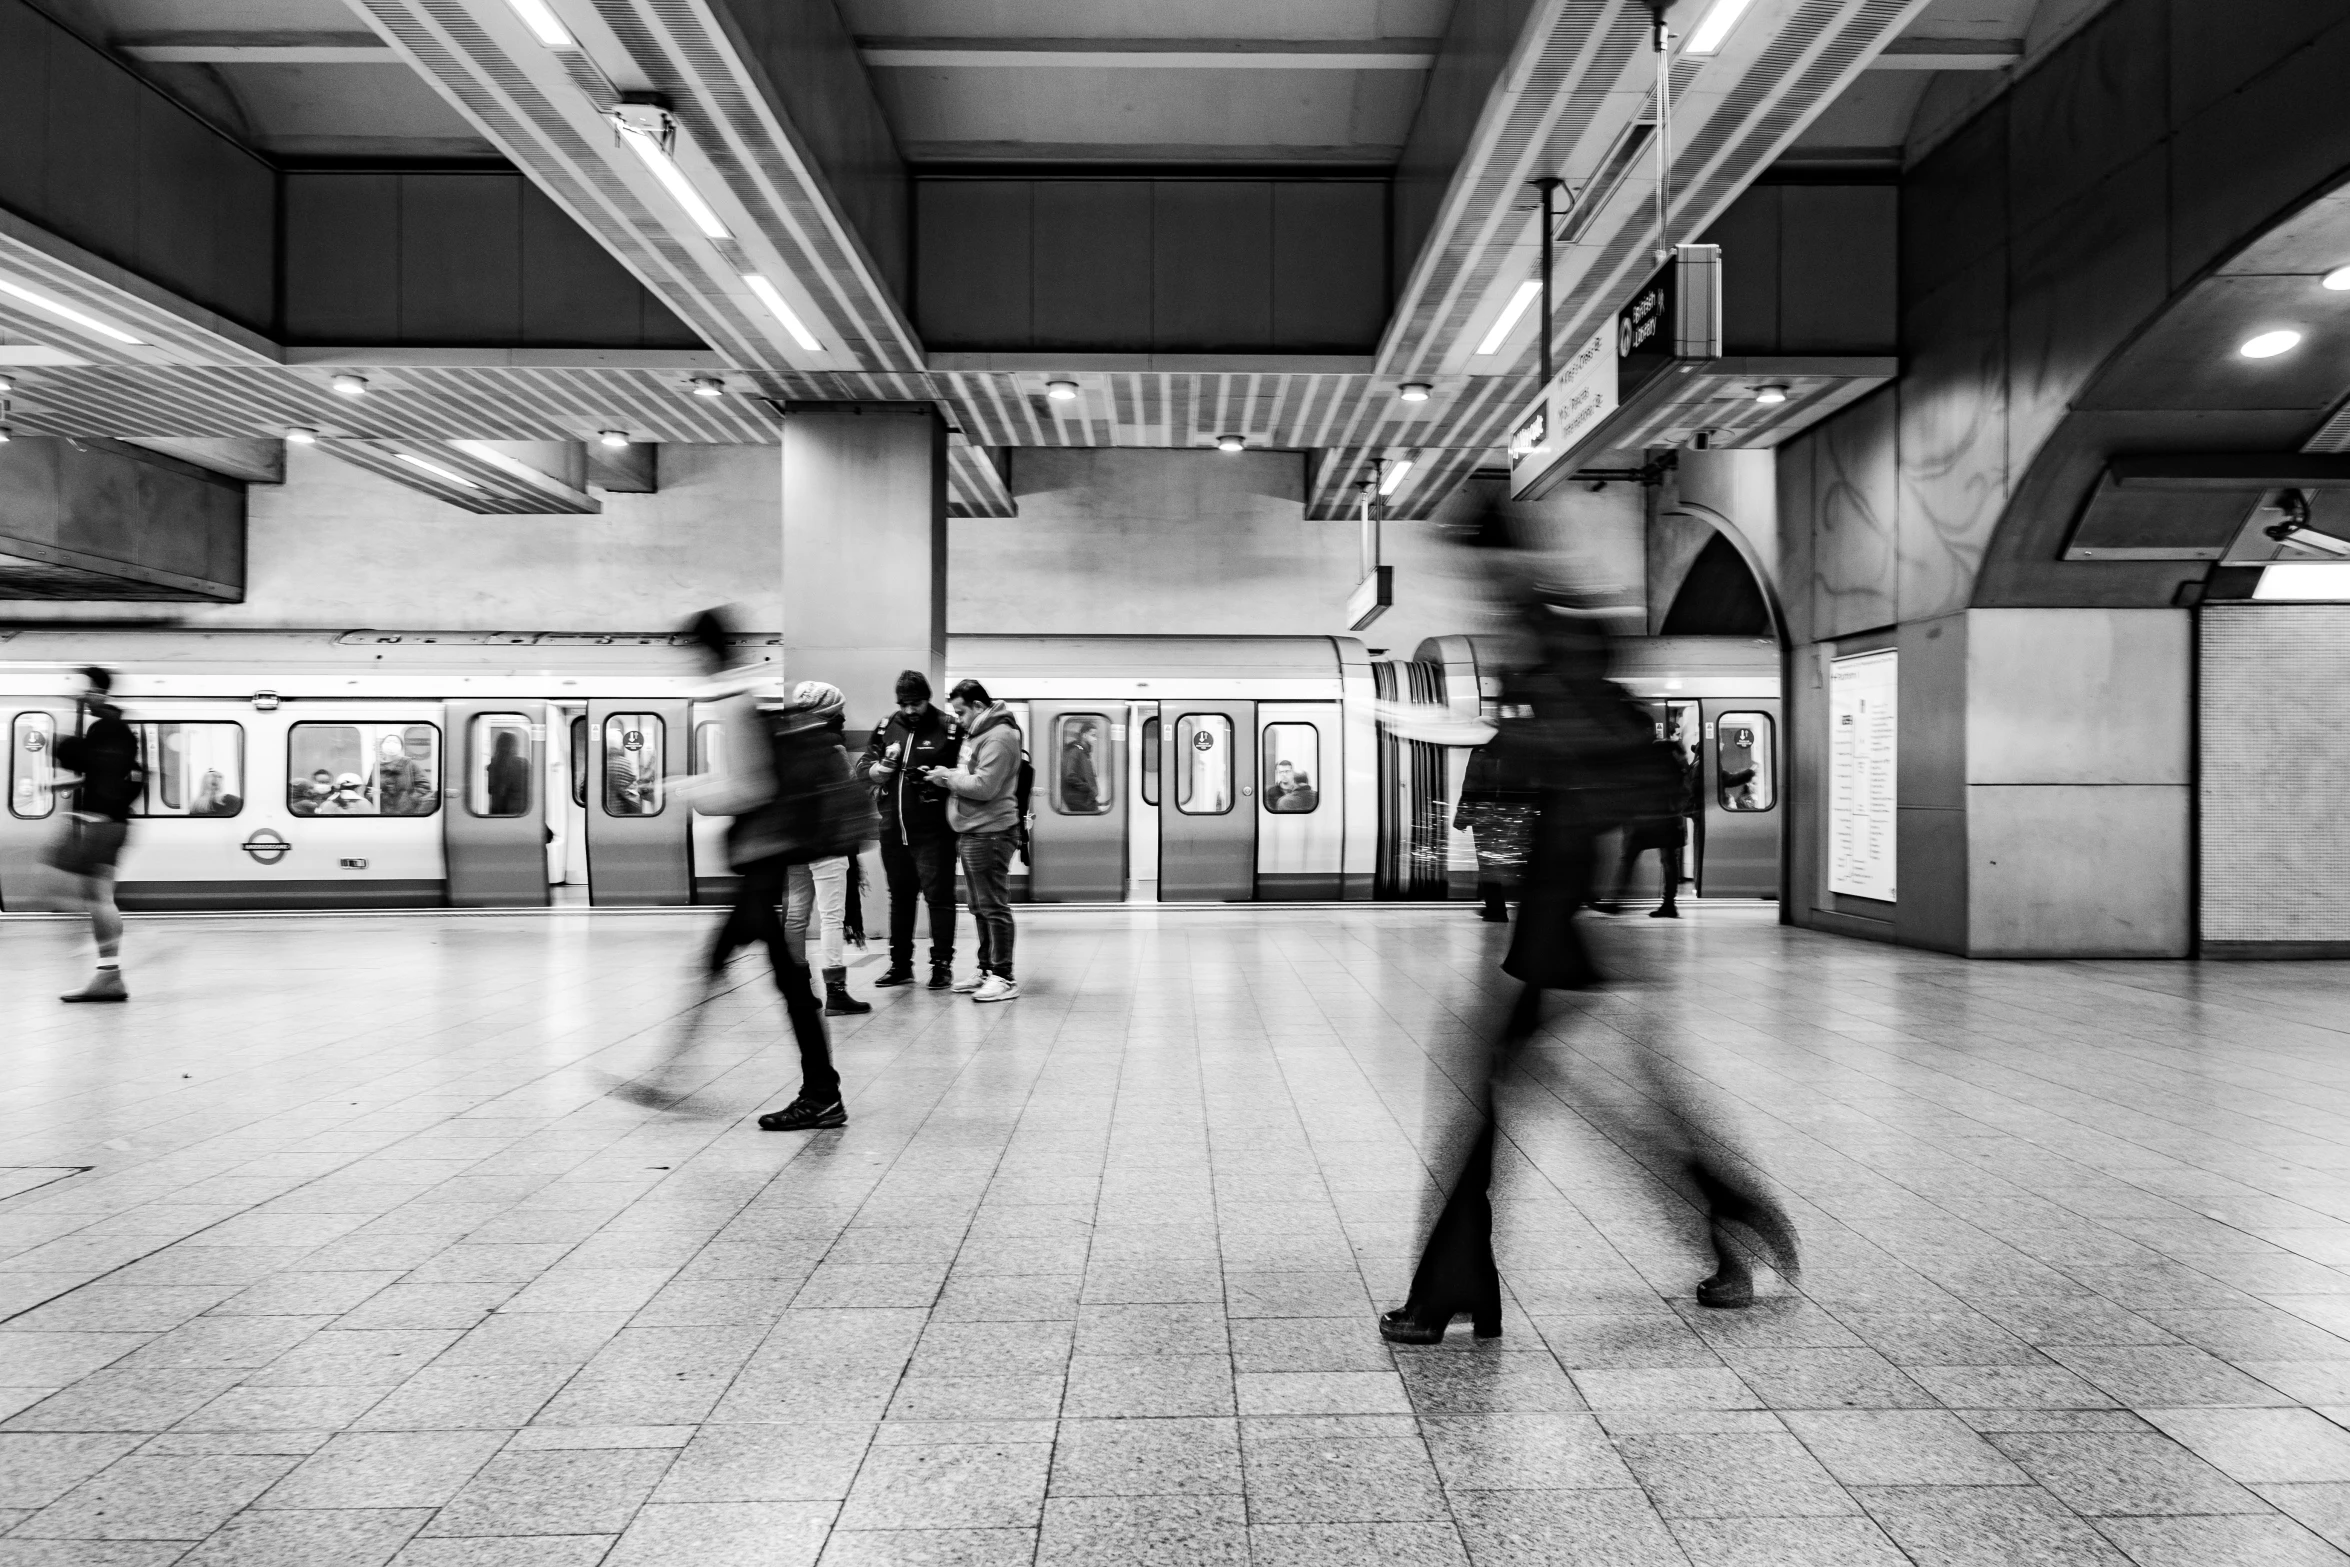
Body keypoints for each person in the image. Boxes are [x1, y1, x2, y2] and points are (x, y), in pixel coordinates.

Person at [1378, 516, 1798, 1344]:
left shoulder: (1573, 707)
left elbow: (1571, 808)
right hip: (1567, 938)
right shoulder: (1595, 702)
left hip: (1568, 940)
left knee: (1553, 1112)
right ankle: (1728, 1225)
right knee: (1562, 1110)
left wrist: (1495, 562)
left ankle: (1729, 1225)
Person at [857, 670, 961, 990]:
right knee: (900, 898)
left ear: (928, 699)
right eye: (904, 704)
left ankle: (941, 965)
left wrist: (941, 776)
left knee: (939, 898)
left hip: (935, 832)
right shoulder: (887, 726)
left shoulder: (949, 728)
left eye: (915, 703)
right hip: (893, 829)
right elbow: (863, 768)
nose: (910, 710)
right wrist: (880, 770)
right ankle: (900, 964)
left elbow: (965, 771)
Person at [922, 679, 1022, 1003]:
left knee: (993, 906)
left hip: (991, 831)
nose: (959, 719)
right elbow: (972, 773)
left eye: (962, 712)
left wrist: (947, 778)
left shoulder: (1001, 736)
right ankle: (986, 968)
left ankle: (1003, 976)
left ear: (978, 706)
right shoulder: (978, 733)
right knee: (979, 906)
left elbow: (985, 786)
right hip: (973, 830)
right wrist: (948, 773)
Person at [48, 666, 143, 1003]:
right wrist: (74, 782)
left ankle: (109, 974)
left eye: (84, 690)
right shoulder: (113, 729)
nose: (80, 695)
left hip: (103, 823)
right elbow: (108, 772)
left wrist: (65, 730)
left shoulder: (109, 727)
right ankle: (109, 972)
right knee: (99, 896)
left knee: (95, 896)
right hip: (109, 821)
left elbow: (76, 755)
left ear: (99, 692)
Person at [782, 680, 871, 1019]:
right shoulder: (832, 747)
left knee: (795, 917)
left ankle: (800, 991)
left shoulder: (784, 744)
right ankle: (835, 992)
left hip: (793, 844)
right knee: (831, 918)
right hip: (828, 844)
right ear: (832, 713)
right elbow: (849, 795)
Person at [1598, 721, 1699, 918]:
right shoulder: (1668, 752)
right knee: (1667, 860)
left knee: (1633, 857)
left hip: (1652, 817)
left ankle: (1618, 902)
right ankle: (1667, 904)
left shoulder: (1653, 753)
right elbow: (1681, 786)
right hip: (1664, 817)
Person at [1456, 733, 1539, 921]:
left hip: (1486, 817)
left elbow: (1471, 787)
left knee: (1488, 863)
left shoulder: (1480, 753)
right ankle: (1525, 906)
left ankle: (1496, 909)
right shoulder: (1519, 751)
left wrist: (1462, 817)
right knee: (1515, 862)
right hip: (1515, 815)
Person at [488, 729, 531, 816]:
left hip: (496, 810)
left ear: (498, 745)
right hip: (518, 811)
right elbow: (530, 789)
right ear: (515, 745)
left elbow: (490, 789)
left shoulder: (492, 765)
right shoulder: (523, 764)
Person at [1060, 721, 1099, 813]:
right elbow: (1069, 776)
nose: (1095, 739)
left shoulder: (1084, 753)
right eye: (1093, 735)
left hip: (1085, 799)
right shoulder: (1075, 752)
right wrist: (1087, 788)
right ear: (1084, 735)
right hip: (1079, 800)